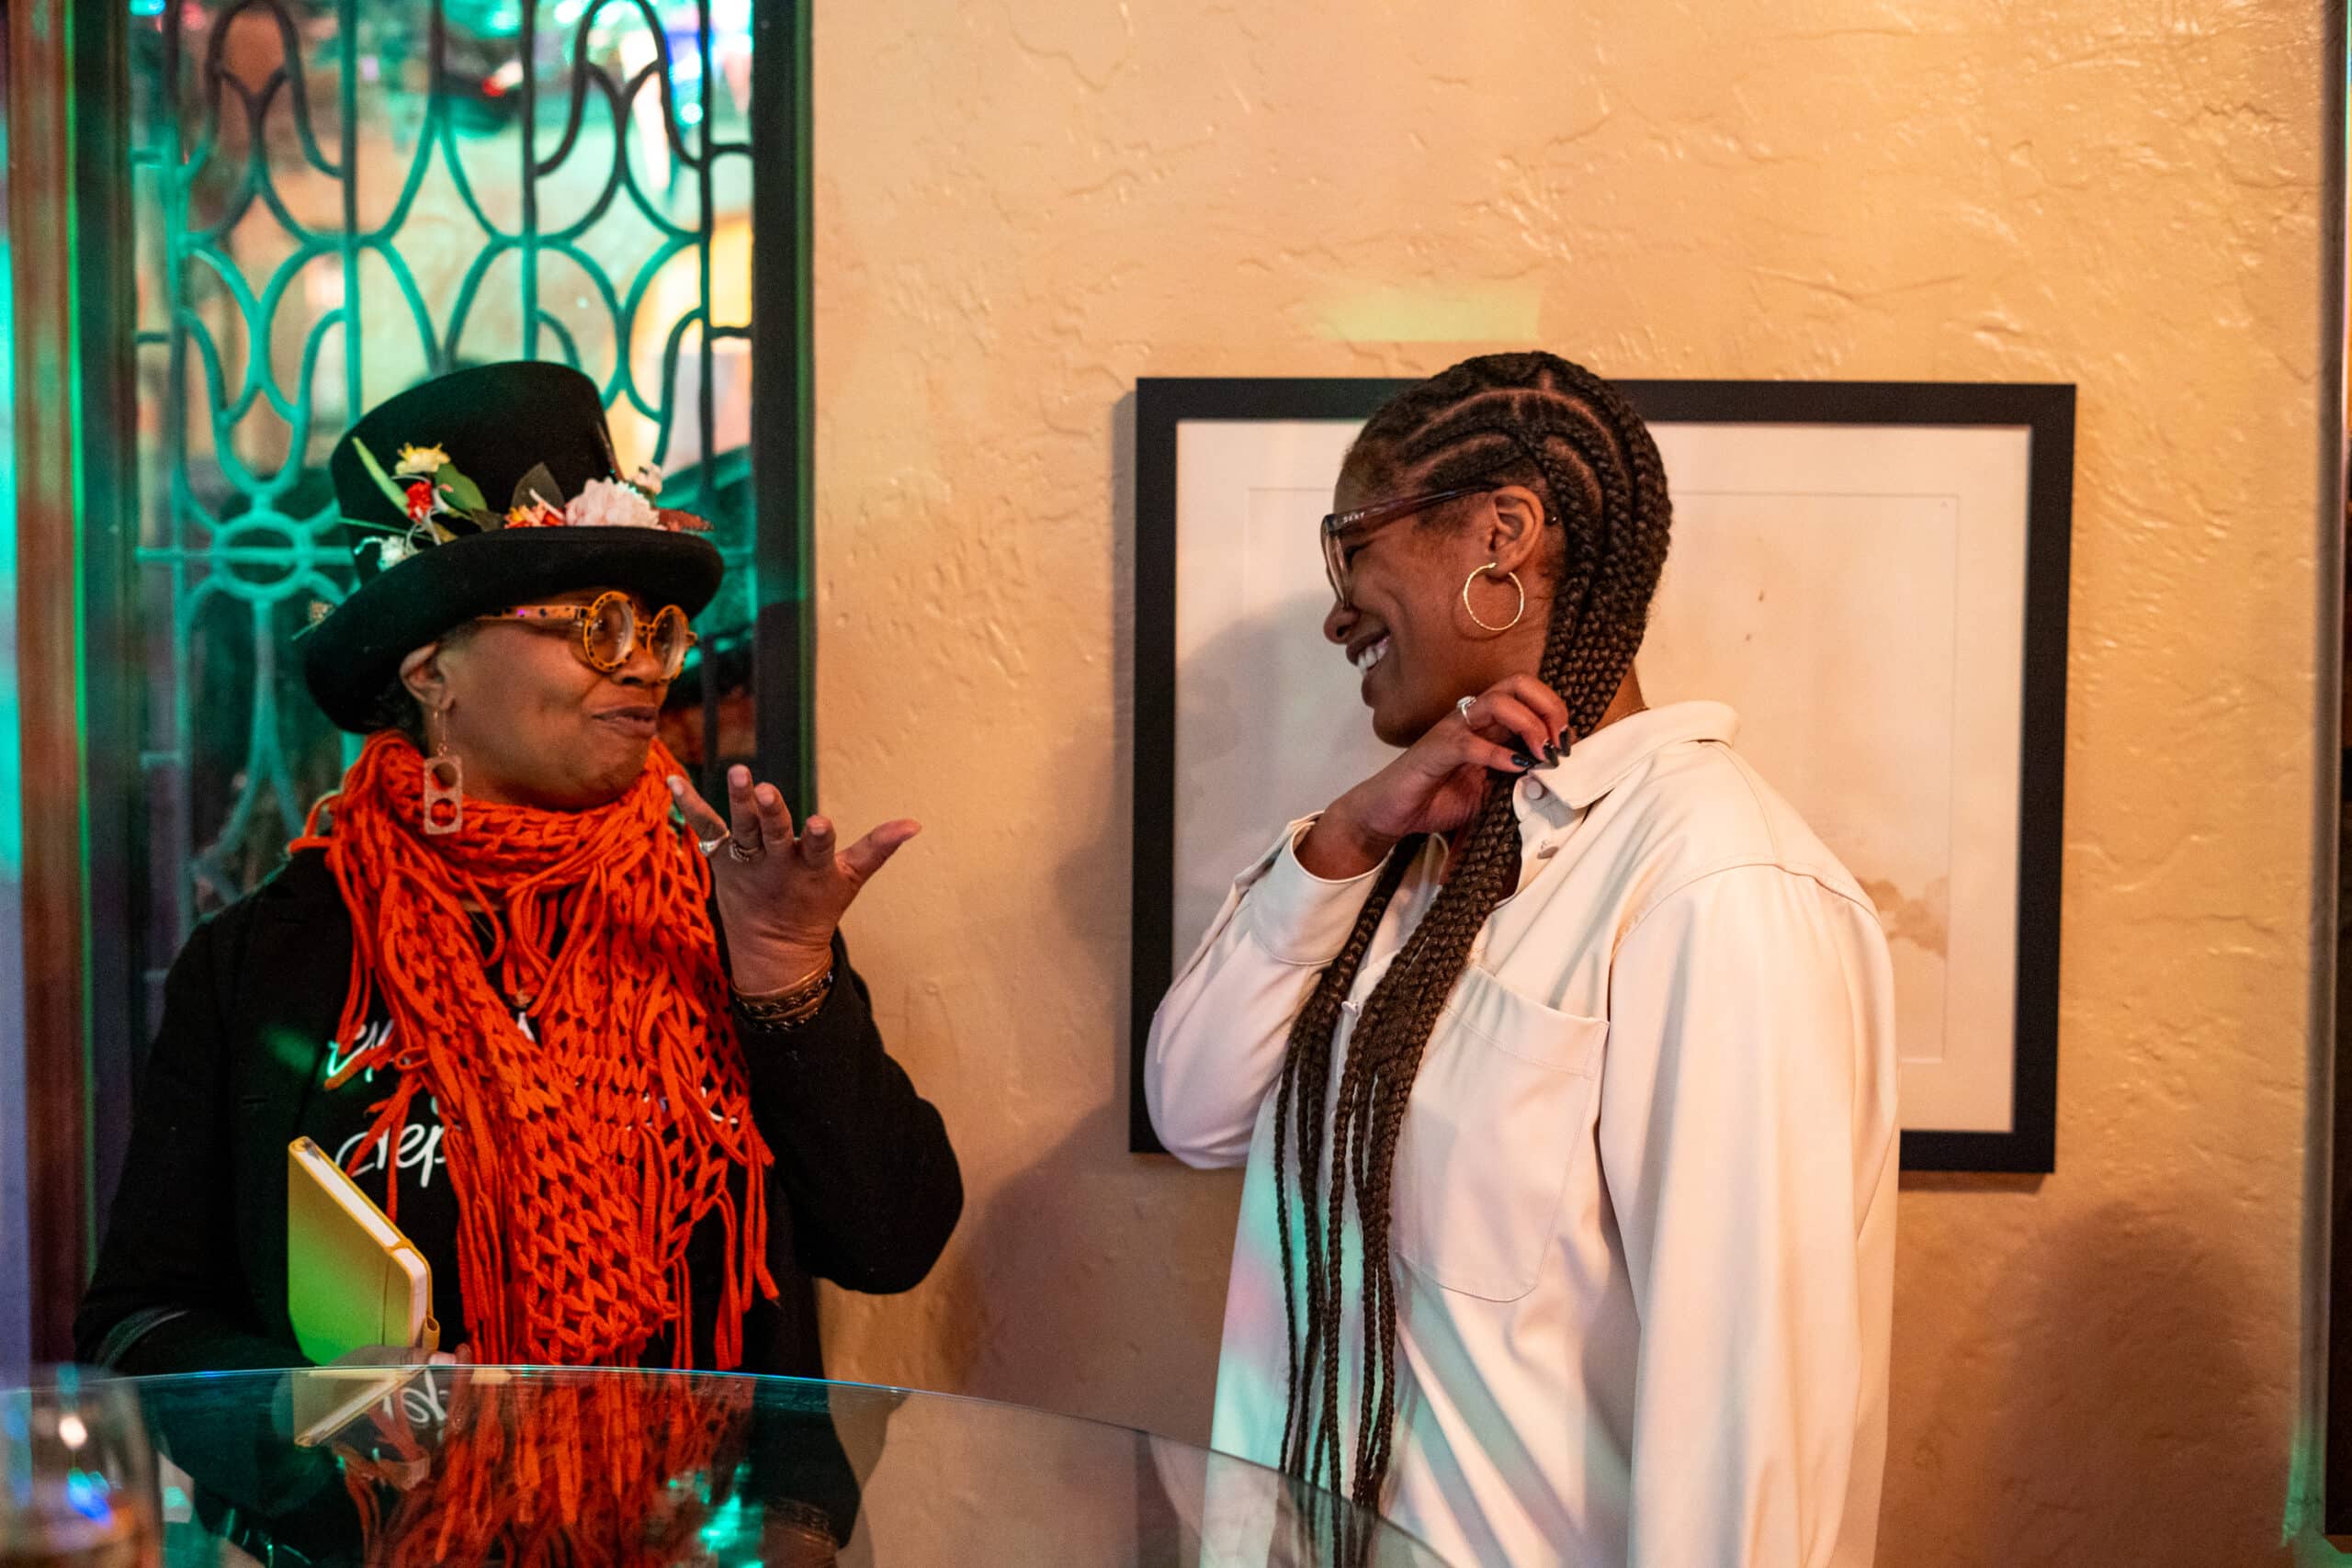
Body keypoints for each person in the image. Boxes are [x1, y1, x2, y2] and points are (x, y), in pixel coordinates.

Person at [1146, 352, 1897, 1567]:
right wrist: (1343, 841)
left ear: (1502, 534)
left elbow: (1747, 1441)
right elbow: (1194, 1110)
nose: (1337, 610)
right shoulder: (1406, 856)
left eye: (1352, 547)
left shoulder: (1710, 885)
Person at [78, 361, 960, 1376]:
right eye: (597, 624)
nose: (645, 664)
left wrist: (786, 978)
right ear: (431, 671)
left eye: (657, 629)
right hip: (393, 1487)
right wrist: (313, 1406)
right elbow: (137, 1322)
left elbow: (892, 1243)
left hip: (712, 1487)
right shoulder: (267, 960)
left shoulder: (727, 909)